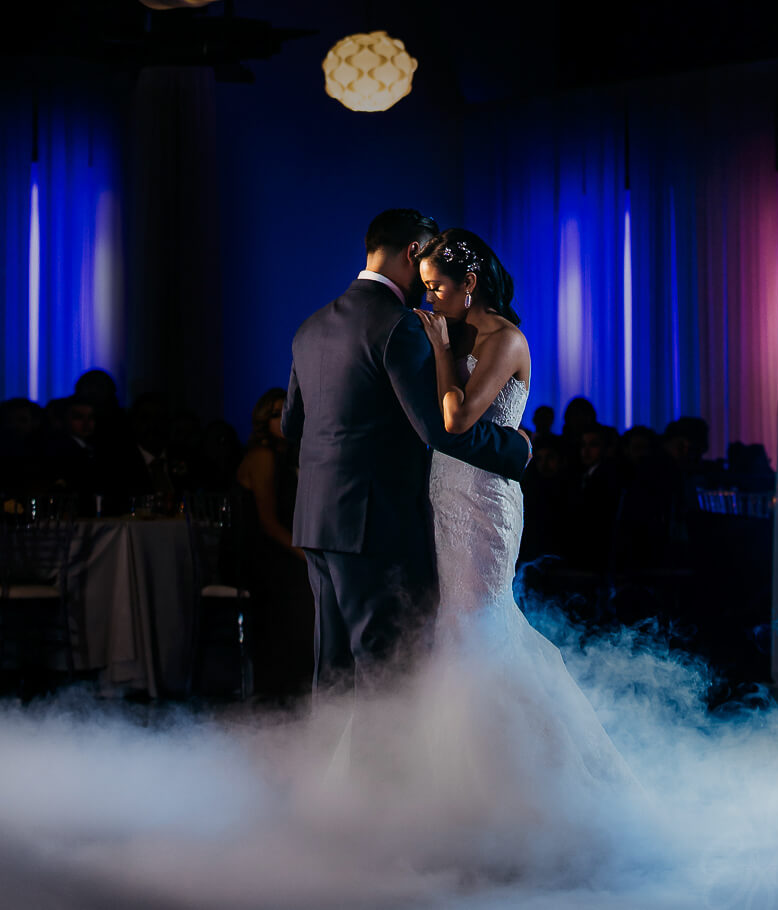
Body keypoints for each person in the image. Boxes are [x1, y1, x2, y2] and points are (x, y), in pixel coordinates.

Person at [413, 228, 641, 874]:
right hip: (447, 491)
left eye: (436, 287)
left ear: (469, 284)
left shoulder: (504, 339)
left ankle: (528, 792)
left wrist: (439, 351)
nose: (429, 299)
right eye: (425, 287)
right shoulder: (460, 334)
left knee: (480, 627)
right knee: (457, 628)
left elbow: (457, 420)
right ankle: (461, 791)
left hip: (484, 500)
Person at [282, 209, 531, 705]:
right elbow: (441, 430)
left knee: (333, 673)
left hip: (316, 521)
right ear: (413, 252)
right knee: (383, 671)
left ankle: (326, 758)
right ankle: (383, 763)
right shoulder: (400, 326)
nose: (428, 292)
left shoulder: (311, 326)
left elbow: (292, 426)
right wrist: (516, 448)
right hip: (374, 522)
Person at [235, 388, 313, 700]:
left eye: (287, 412)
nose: (283, 420)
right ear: (262, 420)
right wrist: (305, 554)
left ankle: (301, 685)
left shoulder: (289, 455)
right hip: (260, 553)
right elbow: (267, 522)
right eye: (275, 414)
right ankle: (285, 689)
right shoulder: (262, 456)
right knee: (302, 585)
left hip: (280, 548)